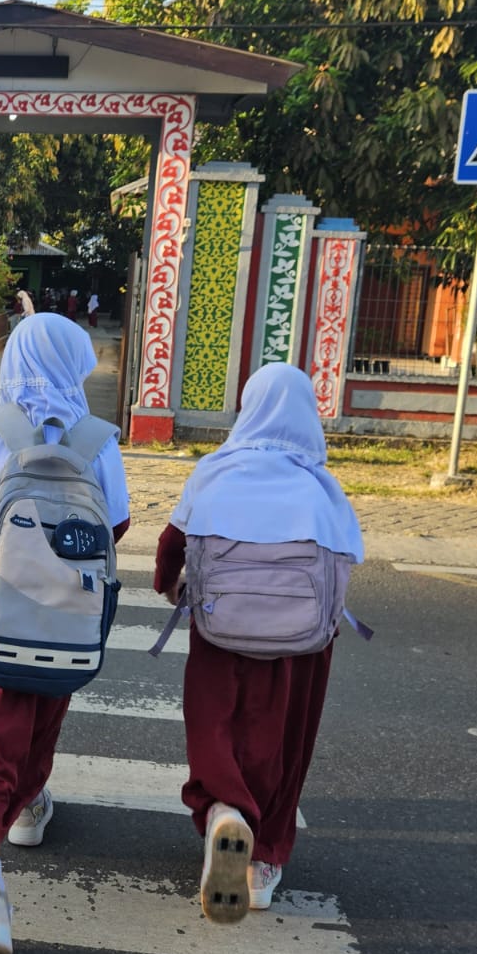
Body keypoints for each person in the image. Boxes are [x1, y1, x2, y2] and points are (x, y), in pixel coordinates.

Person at [0, 313, 131, 954]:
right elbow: (114, 529)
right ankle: (29, 803)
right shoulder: (99, 442)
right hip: (67, 617)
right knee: (41, 712)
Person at [152, 363, 363, 923]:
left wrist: (168, 585)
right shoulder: (321, 488)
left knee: (216, 724)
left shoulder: (214, 473)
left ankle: (225, 811)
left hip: (221, 631)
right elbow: (344, 563)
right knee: (283, 739)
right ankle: (263, 859)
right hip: (299, 647)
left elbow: (171, 543)